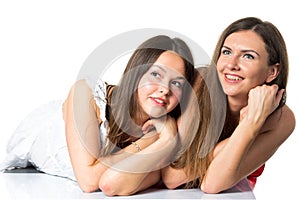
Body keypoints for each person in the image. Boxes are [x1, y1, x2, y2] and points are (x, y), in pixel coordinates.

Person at [0, 35, 196, 196]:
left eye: (177, 83)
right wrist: (157, 139)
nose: (165, 90)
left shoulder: (171, 124)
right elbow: (89, 180)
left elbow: (115, 184)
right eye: (156, 75)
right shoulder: (87, 94)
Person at [161, 17, 296, 193]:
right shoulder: (200, 84)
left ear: (272, 72)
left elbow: (212, 185)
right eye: (226, 52)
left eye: (248, 56)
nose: (231, 65)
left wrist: (250, 124)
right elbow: (172, 177)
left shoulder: (281, 119)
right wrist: (223, 147)